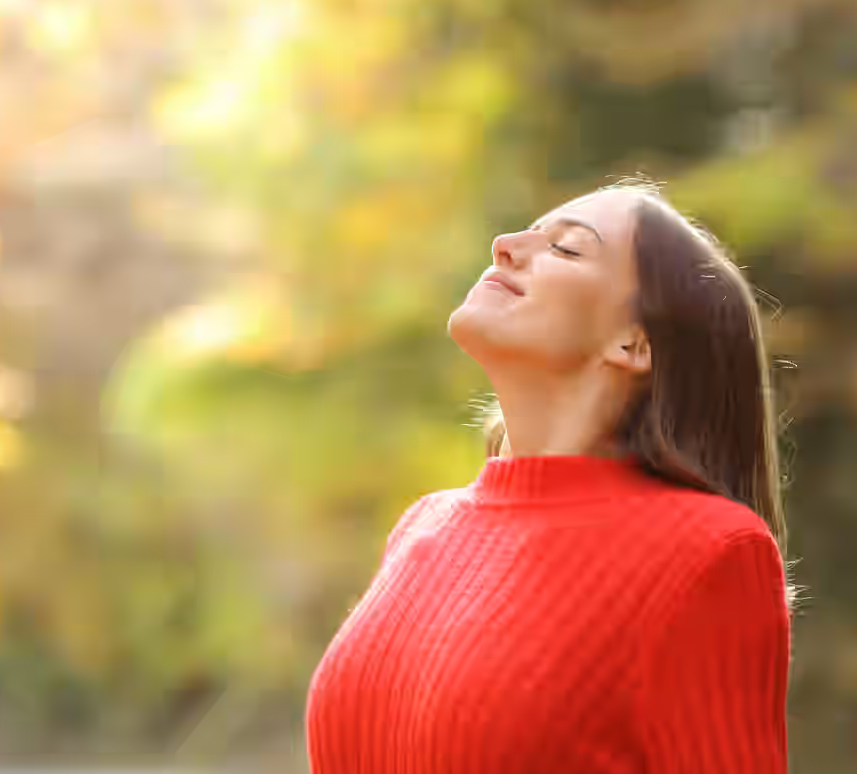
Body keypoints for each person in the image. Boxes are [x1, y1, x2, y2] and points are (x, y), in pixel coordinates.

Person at [305, 178, 798, 773]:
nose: (505, 244)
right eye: (528, 232)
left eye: (565, 248)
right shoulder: (422, 526)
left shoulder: (709, 552)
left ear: (635, 342)